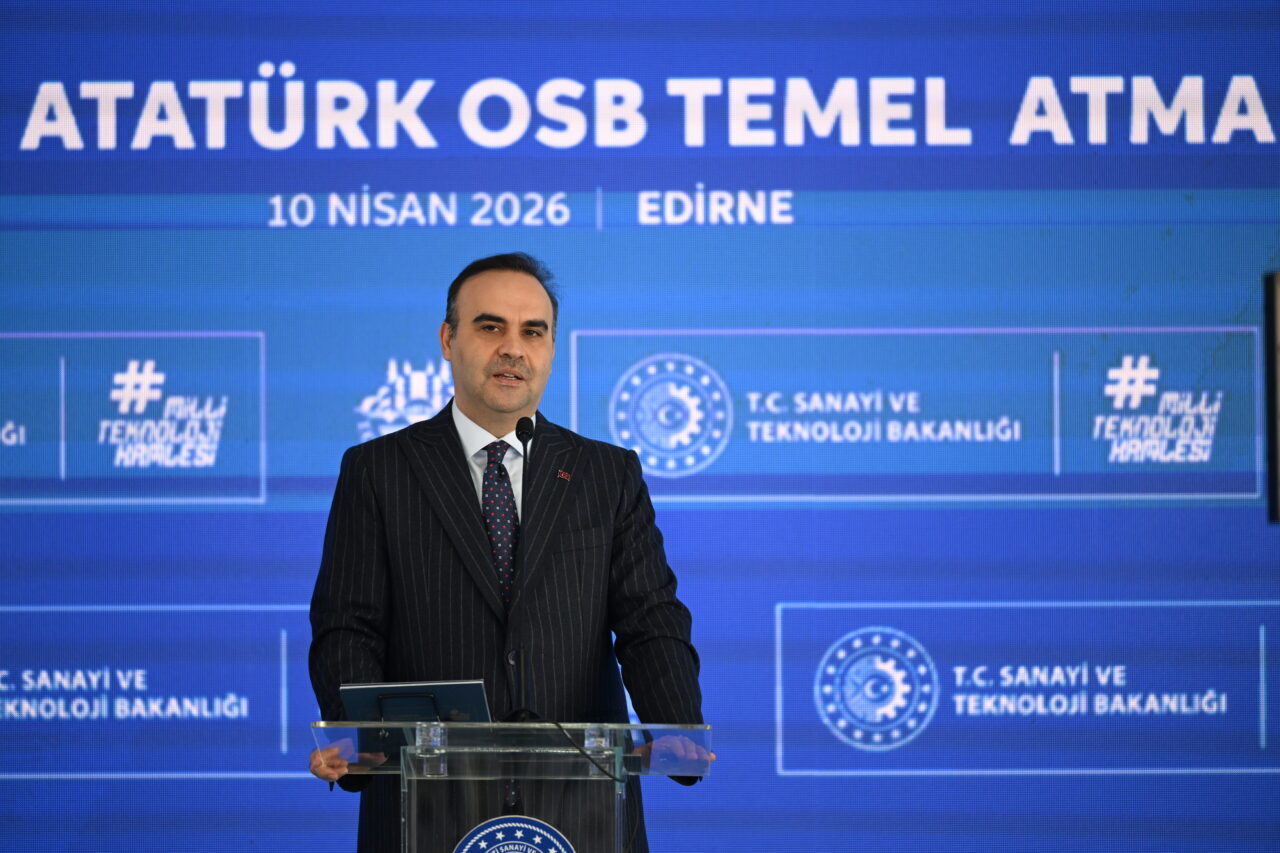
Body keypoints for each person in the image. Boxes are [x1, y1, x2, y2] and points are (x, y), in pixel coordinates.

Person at [307, 252, 706, 852]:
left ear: (551, 349)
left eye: (533, 332)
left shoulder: (607, 474)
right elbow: (348, 626)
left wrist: (676, 727)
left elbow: (650, 617)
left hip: (581, 806)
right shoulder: (378, 470)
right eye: (490, 327)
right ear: (449, 340)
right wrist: (359, 736)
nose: (513, 349)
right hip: (428, 807)